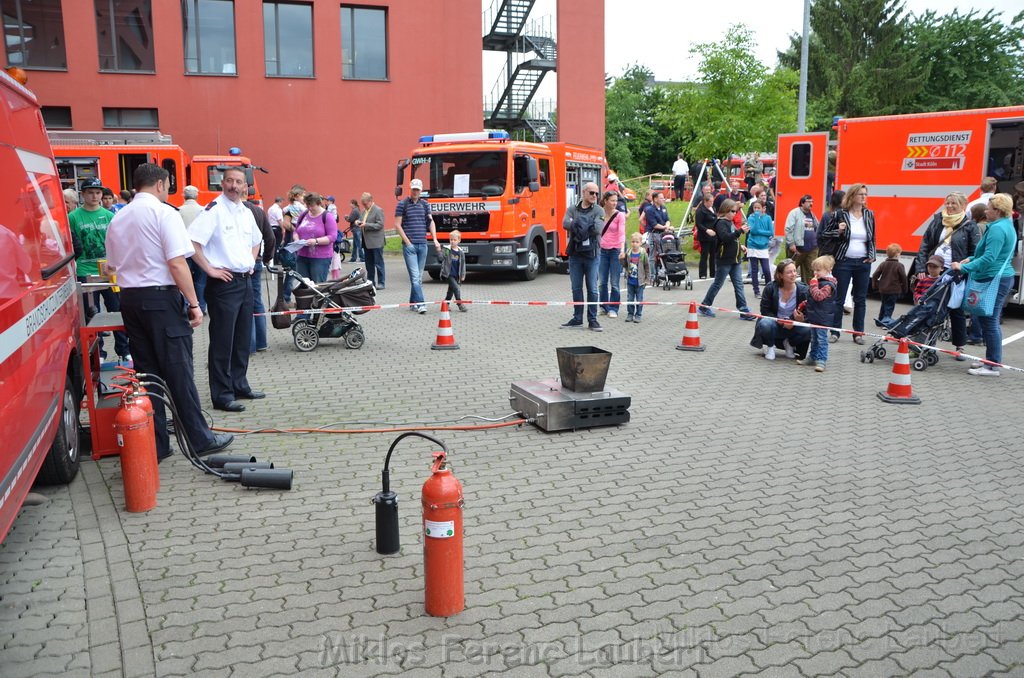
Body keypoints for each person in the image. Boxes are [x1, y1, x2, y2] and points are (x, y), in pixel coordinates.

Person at [104, 163, 233, 462]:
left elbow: (112, 265)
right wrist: (193, 303)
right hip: (161, 300)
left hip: (131, 300)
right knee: (178, 370)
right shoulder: (164, 213)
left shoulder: (118, 218)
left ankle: (156, 442)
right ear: (161, 185)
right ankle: (200, 439)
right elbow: (176, 263)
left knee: (148, 374)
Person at [188, 166, 265, 413]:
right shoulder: (213, 210)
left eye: (238, 182)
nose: (234, 185)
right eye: (230, 181)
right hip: (224, 284)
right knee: (222, 341)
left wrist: (252, 262)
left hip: (245, 282)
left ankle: (239, 384)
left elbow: (257, 240)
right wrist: (209, 269)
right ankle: (221, 395)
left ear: (245, 186)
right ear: (222, 183)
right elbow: (192, 242)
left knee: (242, 339)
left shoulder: (246, 211)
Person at [952, 194, 1017, 377]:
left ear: (997, 211)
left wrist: (964, 267)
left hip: (994, 277)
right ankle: (990, 360)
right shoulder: (1004, 225)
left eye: (988, 208)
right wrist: (972, 258)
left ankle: (992, 365)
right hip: (1000, 276)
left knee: (989, 321)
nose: (986, 211)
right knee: (989, 320)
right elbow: (993, 253)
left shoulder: (997, 229)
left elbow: (990, 258)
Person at [69, 177, 130, 361]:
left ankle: (123, 350)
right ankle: (98, 353)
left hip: (109, 271)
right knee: (91, 314)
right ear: (83, 194)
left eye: (98, 192)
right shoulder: (73, 217)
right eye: (90, 192)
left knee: (117, 309)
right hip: (85, 271)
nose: (95, 196)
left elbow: (119, 242)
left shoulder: (110, 216)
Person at [820, 183, 876, 344]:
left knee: (860, 299)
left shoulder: (869, 214)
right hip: (843, 261)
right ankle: (835, 332)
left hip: (863, 262)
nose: (864, 197)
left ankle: (858, 333)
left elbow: (872, 238)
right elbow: (825, 234)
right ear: (852, 196)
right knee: (839, 298)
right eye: (860, 194)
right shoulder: (840, 214)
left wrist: (871, 255)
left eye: (865, 194)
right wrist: (839, 230)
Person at [698, 199, 754, 321]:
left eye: (736, 211)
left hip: (735, 260)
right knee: (718, 284)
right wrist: (740, 231)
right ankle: (704, 305)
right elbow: (725, 238)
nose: (735, 213)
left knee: (739, 285)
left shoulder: (730, 223)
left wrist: (741, 246)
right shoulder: (721, 223)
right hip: (724, 260)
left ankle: (743, 310)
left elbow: (733, 239)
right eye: (733, 211)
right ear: (726, 210)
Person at [561, 181, 603, 331]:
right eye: (591, 193)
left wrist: (577, 223)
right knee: (576, 288)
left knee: (592, 288)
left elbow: (597, 229)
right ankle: (577, 318)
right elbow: (565, 223)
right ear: (584, 193)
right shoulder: (572, 208)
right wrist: (586, 224)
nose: (595, 196)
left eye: (597, 193)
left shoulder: (599, 210)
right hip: (575, 255)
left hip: (592, 255)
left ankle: (593, 320)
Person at [750, 259, 810, 361]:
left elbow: (810, 313)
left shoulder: (804, 290)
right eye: (789, 272)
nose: (793, 274)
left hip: (793, 326)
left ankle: (789, 344)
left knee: (809, 330)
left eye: (795, 271)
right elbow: (765, 311)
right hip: (775, 323)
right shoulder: (770, 288)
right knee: (765, 323)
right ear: (780, 275)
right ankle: (770, 346)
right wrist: (781, 321)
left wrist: (800, 320)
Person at [395, 178, 439, 314]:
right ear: (410, 189)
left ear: (421, 191)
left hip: (423, 244)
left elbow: (431, 222)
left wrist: (435, 239)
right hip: (410, 247)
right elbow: (397, 224)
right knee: (415, 277)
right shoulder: (402, 204)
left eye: (418, 190)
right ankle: (421, 304)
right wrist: (407, 242)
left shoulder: (425, 205)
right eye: (413, 189)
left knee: (418, 277)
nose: (415, 192)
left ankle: (413, 303)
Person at [244, 197, 276, 353]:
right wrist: (268, 258)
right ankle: (261, 342)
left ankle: (249, 345)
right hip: (256, 261)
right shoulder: (258, 211)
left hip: (238, 264)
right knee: (257, 300)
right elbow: (270, 238)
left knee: (244, 303)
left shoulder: (233, 210)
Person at [797, 255, 837, 372]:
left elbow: (819, 297)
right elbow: (812, 298)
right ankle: (812, 357)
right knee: (813, 338)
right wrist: (804, 303)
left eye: (818, 270)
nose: (815, 272)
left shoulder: (829, 285)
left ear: (828, 269)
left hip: (823, 318)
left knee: (821, 339)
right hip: (814, 316)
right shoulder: (820, 282)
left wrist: (813, 285)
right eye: (814, 270)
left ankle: (822, 360)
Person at [292, 192, 338, 283]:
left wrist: (316, 241)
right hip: (302, 255)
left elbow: (332, 237)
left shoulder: (327, 216)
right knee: (303, 285)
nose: (310, 208)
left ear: (319, 203)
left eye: (312, 206)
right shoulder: (304, 214)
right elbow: (296, 231)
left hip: (320, 257)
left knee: (317, 286)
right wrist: (297, 240)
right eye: (307, 205)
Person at [598, 190, 626, 318]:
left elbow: (621, 233)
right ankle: (604, 306)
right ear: (605, 201)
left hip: (615, 250)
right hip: (601, 250)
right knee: (602, 281)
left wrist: (622, 250)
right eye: (612, 200)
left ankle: (613, 308)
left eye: (616, 200)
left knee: (614, 282)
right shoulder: (599, 213)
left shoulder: (619, 215)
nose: (615, 203)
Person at [279, 185, 306, 303]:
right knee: (294, 270)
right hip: (297, 239)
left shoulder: (287, 208)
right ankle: (287, 298)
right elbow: (286, 224)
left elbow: (285, 224)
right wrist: (296, 229)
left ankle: (286, 297)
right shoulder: (302, 208)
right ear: (297, 196)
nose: (304, 197)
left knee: (291, 271)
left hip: (291, 238)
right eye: (303, 195)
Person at [871, 244, 908, 326]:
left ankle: (880, 319)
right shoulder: (899, 266)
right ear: (897, 254)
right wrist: (905, 289)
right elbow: (904, 278)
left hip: (883, 289)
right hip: (894, 290)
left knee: (884, 304)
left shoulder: (883, 264)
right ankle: (886, 320)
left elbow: (875, 275)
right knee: (890, 305)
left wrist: (875, 285)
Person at [784, 195, 819, 282]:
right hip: (797, 248)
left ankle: (806, 293)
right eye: (808, 202)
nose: (811, 204)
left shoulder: (812, 214)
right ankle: (784, 290)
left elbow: (817, 228)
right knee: (789, 270)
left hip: (811, 249)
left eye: (812, 202)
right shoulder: (794, 213)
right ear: (802, 203)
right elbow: (788, 229)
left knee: (810, 273)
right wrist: (791, 244)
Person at [746, 200, 773, 298]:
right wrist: (757, 217)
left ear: (763, 208)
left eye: (758, 208)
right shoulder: (751, 217)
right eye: (755, 208)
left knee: (766, 269)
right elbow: (753, 231)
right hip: (753, 246)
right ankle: (756, 291)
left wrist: (760, 232)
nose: (756, 210)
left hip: (763, 247)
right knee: (754, 269)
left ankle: (769, 290)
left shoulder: (768, 218)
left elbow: (770, 232)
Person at [359, 192, 386, 289]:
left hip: (376, 242)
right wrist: (358, 222)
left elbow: (380, 225)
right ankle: (370, 282)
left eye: (365, 204)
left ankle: (381, 282)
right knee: (369, 264)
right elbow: (363, 221)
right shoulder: (364, 211)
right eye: (363, 204)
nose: (364, 206)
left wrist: (366, 225)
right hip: (366, 242)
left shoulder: (378, 210)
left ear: (371, 201)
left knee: (378, 263)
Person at [621, 231, 650, 323]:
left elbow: (647, 267)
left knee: (639, 299)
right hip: (630, 280)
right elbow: (625, 265)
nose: (634, 244)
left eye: (637, 242)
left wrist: (647, 279)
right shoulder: (628, 252)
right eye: (633, 242)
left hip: (640, 281)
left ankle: (638, 314)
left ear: (640, 243)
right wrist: (621, 259)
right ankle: (630, 314)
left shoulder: (643, 254)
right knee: (630, 298)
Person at [439, 229, 467, 312]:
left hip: (456, 275)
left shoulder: (461, 252)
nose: (452, 241)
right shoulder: (447, 250)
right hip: (448, 274)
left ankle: (445, 304)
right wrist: (439, 251)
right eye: (451, 239)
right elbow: (441, 258)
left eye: (454, 240)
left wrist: (462, 275)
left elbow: (463, 265)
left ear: (459, 240)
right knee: (456, 288)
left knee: (451, 290)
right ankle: (459, 303)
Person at [695, 190, 718, 279]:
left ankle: (713, 272)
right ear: (705, 201)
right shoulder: (701, 210)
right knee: (704, 254)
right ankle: (702, 273)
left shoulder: (713, 208)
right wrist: (706, 230)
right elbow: (699, 224)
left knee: (713, 254)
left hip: (714, 235)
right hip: (705, 235)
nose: (712, 203)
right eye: (710, 202)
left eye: (713, 201)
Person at [344, 198, 364, 262]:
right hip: (356, 228)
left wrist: (346, 217)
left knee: (358, 244)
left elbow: (351, 219)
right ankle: (354, 257)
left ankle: (362, 257)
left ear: (353, 204)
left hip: (356, 228)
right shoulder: (357, 210)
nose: (350, 205)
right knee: (356, 244)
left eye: (350, 203)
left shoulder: (355, 210)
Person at [267, 196, 284, 261]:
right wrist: (283, 229)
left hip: (271, 227)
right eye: (282, 203)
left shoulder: (270, 208)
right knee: (277, 245)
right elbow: (279, 220)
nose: (282, 204)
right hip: (277, 228)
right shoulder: (278, 209)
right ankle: (276, 260)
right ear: (280, 201)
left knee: (273, 244)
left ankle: (272, 259)